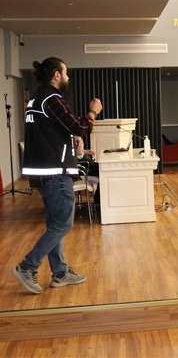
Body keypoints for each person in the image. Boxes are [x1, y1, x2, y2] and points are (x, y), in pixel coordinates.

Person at [13, 57, 102, 294]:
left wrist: (71, 141)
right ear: (56, 75)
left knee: (55, 223)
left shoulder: (35, 98)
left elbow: (52, 131)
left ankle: (60, 272)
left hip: (44, 170)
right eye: (66, 73)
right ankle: (27, 266)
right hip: (54, 171)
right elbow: (80, 126)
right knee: (62, 224)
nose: (68, 78)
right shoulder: (52, 99)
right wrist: (93, 112)